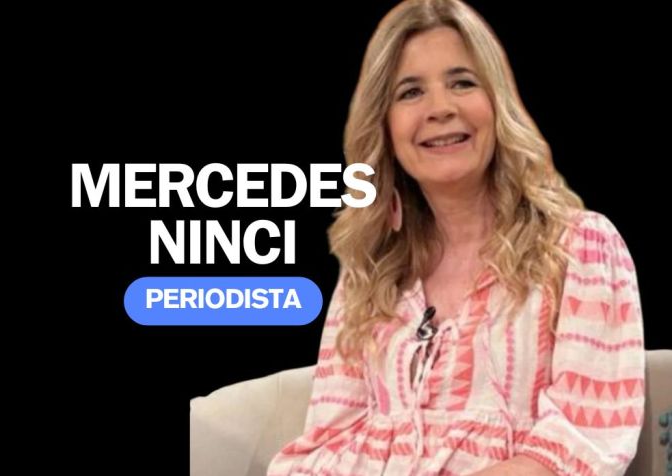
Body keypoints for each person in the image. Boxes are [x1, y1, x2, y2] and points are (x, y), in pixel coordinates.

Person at [267, 0, 645, 474]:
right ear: (384, 126)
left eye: (462, 83)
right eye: (410, 92)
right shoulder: (369, 270)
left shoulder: (581, 247)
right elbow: (329, 439)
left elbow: (581, 444)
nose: (440, 109)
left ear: (497, 103)